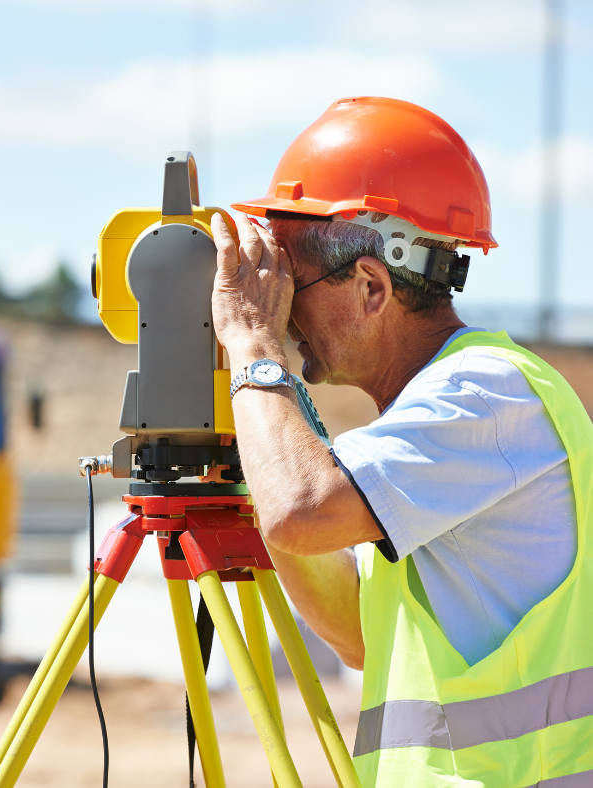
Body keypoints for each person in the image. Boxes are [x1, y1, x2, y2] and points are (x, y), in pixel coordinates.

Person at [209, 96, 593, 786]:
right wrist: (257, 451)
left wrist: (251, 342)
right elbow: (357, 633)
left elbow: (301, 509)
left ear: (371, 287)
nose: (280, 312)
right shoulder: (433, 421)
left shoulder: (486, 393)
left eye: (292, 286)